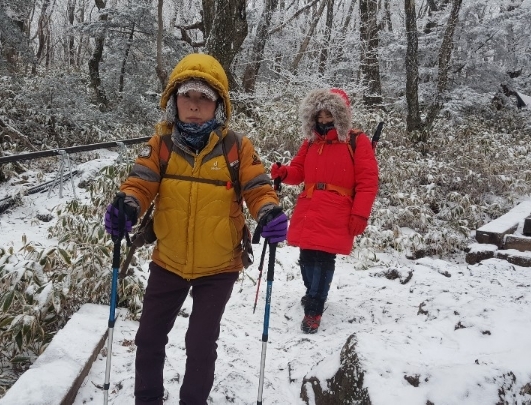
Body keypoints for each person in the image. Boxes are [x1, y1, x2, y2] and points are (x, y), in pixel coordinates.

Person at [103, 53, 288, 405]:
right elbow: (140, 183)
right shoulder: (161, 145)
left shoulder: (236, 147)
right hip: (168, 261)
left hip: (219, 267)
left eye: (204, 97)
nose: (194, 104)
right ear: (174, 101)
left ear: (218, 105)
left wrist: (268, 212)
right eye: (186, 95)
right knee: (149, 339)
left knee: (201, 343)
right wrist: (128, 205)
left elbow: (257, 187)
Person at [271, 88, 379, 334]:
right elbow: (299, 171)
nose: (323, 120)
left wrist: (360, 214)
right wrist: (284, 173)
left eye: (328, 115)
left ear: (341, 115)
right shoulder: (311, 142)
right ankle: (313, 293)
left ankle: (314, 308)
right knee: (306, 258)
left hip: (337, 210)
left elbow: (367, 181)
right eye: (319, 116)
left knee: (323, 259)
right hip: (309, 207)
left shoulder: (356, 141)